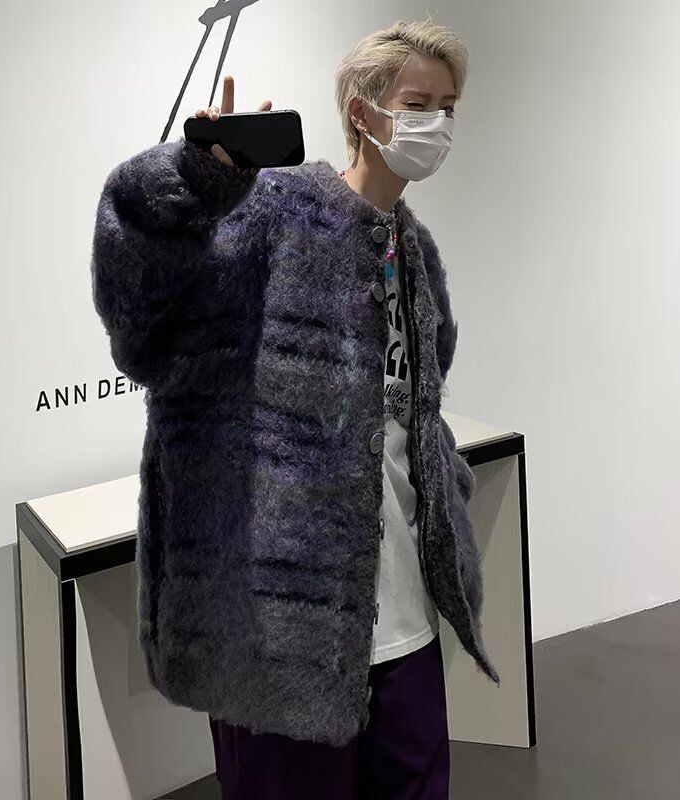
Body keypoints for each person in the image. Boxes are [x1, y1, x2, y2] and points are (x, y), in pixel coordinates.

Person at [90, 15, 498, 800]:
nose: (438, 124)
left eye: (449, 107)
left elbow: (413, 417)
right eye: (419, 104)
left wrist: (445, 500)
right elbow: (141, 320)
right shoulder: (272, 215)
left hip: (404, 627)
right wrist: (192, 181)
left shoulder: (415, 253)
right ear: (363, 112)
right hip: (278, 641)